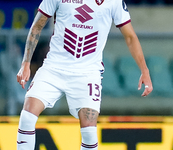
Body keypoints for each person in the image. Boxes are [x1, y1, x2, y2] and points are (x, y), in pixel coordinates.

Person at [16, 0, 153, 149]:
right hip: (53, 67)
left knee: (89, 131)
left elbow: (130, 36)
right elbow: (38, 25)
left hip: (87, 73)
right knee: (27, 116)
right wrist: (25, 63)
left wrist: (144, 70)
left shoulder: (113, 1)